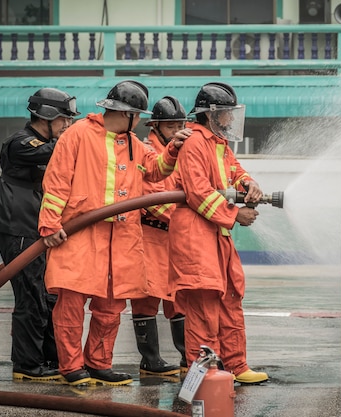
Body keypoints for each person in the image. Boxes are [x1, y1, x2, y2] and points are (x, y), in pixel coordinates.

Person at [38, 80, 185, 386]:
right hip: (80, 234)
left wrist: (173, 149)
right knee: (71, 304)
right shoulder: (78, 134)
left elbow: (156, 170)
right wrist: (50, 224)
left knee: (111, 306)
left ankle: (99, 364)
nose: (142, 121)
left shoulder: (133, 142)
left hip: (120, 238)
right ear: (127, 113)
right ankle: (72, 367)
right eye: (139, 115)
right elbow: (57, 181)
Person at [167, 82, 269, 384]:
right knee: (203, 306)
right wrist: (235, 214)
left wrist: (249, 183)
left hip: (215, 234)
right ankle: (204, 375)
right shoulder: (195, 143)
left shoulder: (217, 143)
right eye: (226, 113)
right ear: (211, 114)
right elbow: (197, 192)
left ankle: (236, 366)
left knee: (230, 298)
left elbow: (235, 171)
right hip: (195, 236)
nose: (230, 119)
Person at [0, 87, 80, 382]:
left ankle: (46, 359)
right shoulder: (20, 142)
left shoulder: (50, 145)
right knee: (30, 298)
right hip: (19, 233)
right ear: (47, 116)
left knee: (46, 297)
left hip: (39, 233)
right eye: (65, 119)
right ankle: (28, 366)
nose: (67, 126)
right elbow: (51, 151)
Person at [131, 96, 192, 377]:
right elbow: (150, 196)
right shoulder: (145, 152)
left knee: (179, 297)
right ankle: (150, 361)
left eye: (180, 124)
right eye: (171, 125)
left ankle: (186, 356)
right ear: (155, 126)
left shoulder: (182, 151)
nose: (177, 129)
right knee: (146, 297)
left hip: (174, 236)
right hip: (151, 234)